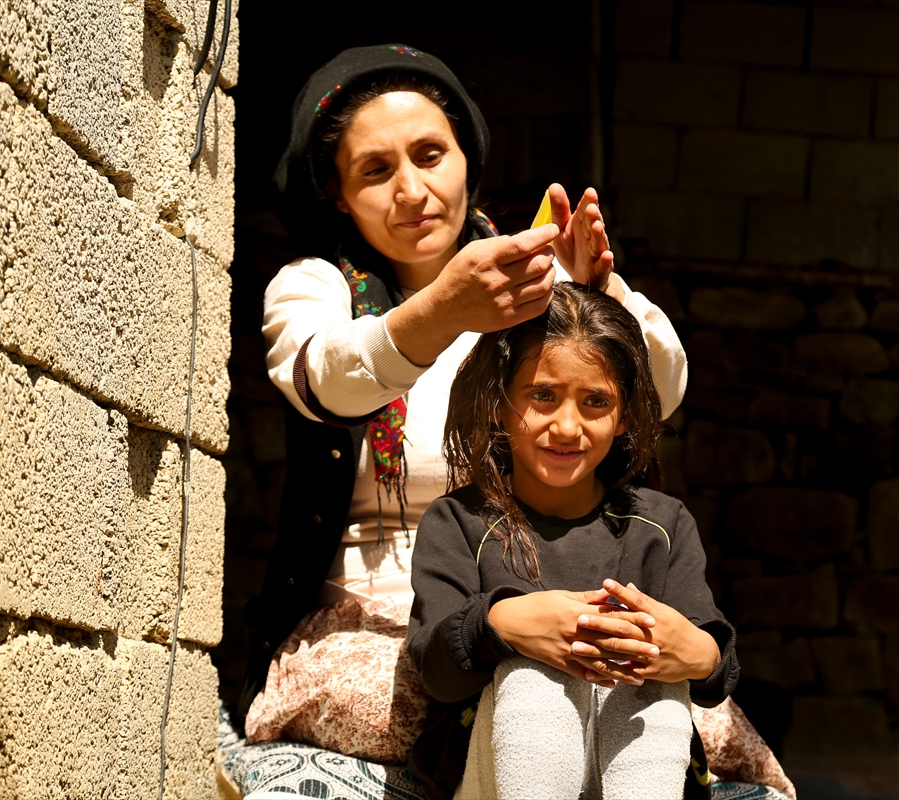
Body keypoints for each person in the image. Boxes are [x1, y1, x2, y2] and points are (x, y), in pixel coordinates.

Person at [239, 43, 687, 728]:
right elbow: (326, 377)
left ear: (467, 161)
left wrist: (602, 297)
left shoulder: (542, 282)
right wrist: (443, 311)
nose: (412, 192)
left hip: (553, 599)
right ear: (336, 191)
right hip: (377, 618)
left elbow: (661, 389)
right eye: (374, 170)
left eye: (429, 156)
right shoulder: (316, 288)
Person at [409, 282, 737, 800]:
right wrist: (504, 624)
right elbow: (436, 673)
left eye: (595, 402)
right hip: (493, 772)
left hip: (637, 776)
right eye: (542, 396)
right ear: (499, 402)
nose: (566, 426)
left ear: (624, 415)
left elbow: (713, 663)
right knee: (534, 679)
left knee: (654, 684)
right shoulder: (459, 522)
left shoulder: (661, 524)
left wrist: (693, 653)